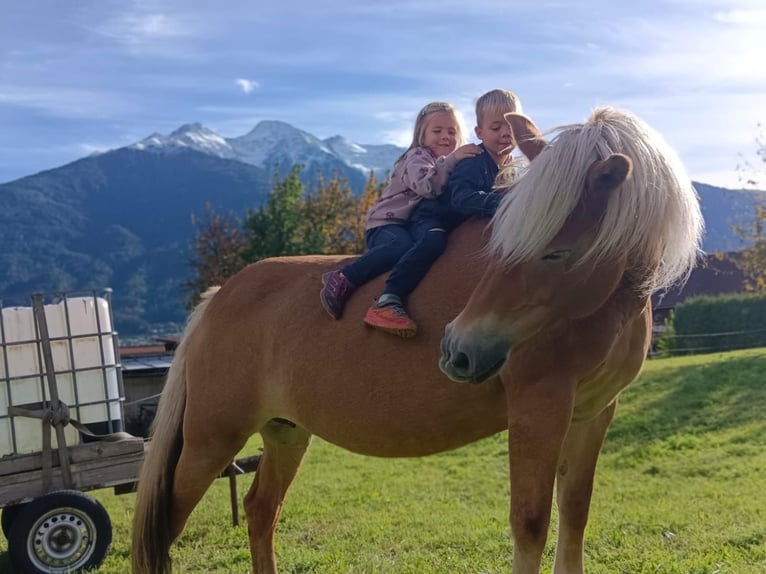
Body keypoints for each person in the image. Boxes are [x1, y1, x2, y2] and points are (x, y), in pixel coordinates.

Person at [360, 89, 522, 338]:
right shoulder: (470, 161)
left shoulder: (513, 167)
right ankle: (388, 296)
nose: (505, 133)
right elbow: (461, 197)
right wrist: (505, 204)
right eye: (496, 127)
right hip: (424, 218)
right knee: (429, 241)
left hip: (447, 221)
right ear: (479, 133)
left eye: (511, 126)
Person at [320, 101, 482, 336]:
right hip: (387, 224)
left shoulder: (448, 163)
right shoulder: (416, 157)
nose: (445, 137)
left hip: (411, 224)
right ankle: (345, 277)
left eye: (452, 131)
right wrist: (454, 159)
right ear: (421, 134)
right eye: (437, 131)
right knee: (399, 247)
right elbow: (428, 186)